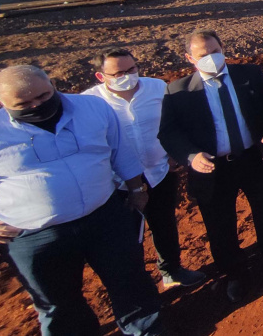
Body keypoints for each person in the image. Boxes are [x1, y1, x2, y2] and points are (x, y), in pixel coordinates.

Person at [0, 65, 162, 336]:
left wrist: (136, 189)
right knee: (57, 302)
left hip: (104, 216)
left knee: (129, 280)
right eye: (24, 103)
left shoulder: (92, 108)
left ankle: (146, 330)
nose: (37, 105)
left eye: (44, 96)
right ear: (1, 103)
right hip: (35, 236)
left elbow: (120, 150)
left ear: (53, 85)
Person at [158, 29, 263, 302]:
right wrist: (190, 156)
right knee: (220, 225)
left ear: (223, 48)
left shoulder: (249, 74)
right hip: (212, 168)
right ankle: (236, 275)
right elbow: (168, 132)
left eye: (215, 51)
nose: (211, 58)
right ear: (190, 58)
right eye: (203, 55)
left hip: (253, 158)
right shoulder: (178, 91)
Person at [82, 47, 207, 290]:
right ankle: (136, 284)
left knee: (164, 224)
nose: (127, 76)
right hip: (116, 184)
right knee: (126, 237)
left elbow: (175, 123)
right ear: (101, 76)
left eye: (131, 69)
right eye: (118, 73)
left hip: (159, 172)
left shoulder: (157, 88)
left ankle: (171, 270)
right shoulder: (89, 103)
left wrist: (174, 156)